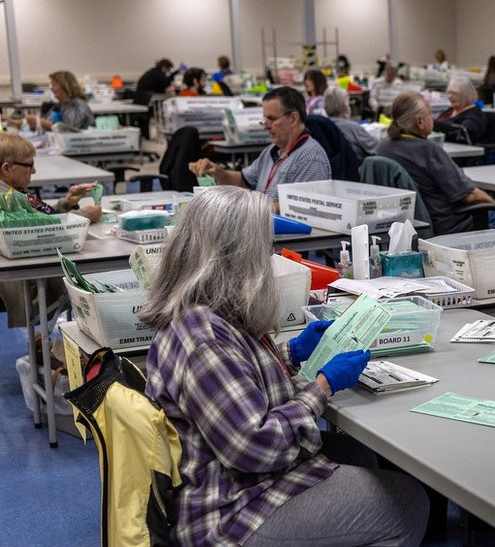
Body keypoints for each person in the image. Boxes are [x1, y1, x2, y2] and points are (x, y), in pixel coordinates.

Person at [138, 186, 429, 546]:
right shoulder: (203, 338)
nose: (270, 255)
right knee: (408, 504)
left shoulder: (202, 314)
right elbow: (255, 445)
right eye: (263, 246)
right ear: (235, 256)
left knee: (357, 453)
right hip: (229, 508)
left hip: (226, 475)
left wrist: (290, 352)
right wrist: (322, 387)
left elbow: (235, 375)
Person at [0, 132, 102, 328]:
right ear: (6, 169)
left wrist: (67, 202)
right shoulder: (5, 202)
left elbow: (41, 217)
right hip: (24, 275)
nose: (34, 171)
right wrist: (82, 215)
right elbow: (39, 235)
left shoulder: (13, 193)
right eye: (29, 165)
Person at [376, 92, 495, 235]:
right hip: (450, 224)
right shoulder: (428, 150)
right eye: (430, 114)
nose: (433, 119)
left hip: (407, 226)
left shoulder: (382, 148)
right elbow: (469, 195)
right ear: (420, 122)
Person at [188, 87, 331, 203]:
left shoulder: (310, 158)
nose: (266, 126)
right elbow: (243, 180)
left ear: (293, 119)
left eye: (271, 119)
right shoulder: (272, 151)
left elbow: (301, 207)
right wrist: (216, 171)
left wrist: (250, 211)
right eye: (264, 120)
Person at [11, 71, 94, 132]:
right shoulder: (59, 106)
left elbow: (70, 129)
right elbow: (47, 122)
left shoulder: (77, 105)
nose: (51, 88)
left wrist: (39, 121)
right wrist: (34, 124)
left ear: (65, 86)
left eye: (54, 85)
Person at [323, 86, 377, 161]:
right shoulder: (352, 128)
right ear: (345, 106)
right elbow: (376, 148)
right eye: (348, 103)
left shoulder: (323, 126)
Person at [434, 77, 486, 144]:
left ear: (466, 95)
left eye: (454, 93)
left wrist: (436, 125)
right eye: (448, 93)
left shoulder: (474, 114)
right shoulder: (449, 111)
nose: (450, 96)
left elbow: (465, 133)